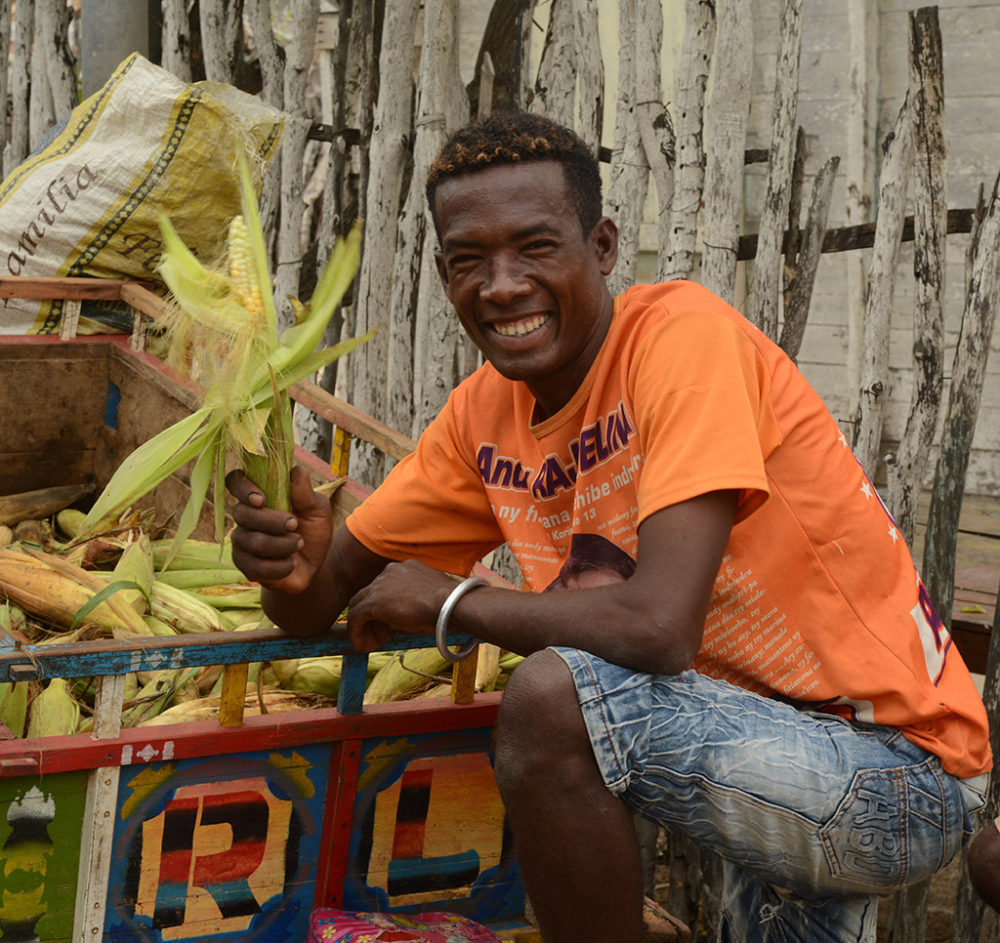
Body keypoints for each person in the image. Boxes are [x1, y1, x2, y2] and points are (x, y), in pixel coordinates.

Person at [226, 112, 991, 943]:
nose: (503, 285)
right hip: (767, 761)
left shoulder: (681, 341)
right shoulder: (483, 417)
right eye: (468, 261)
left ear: (602, 247)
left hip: (895, 773)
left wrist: (457, 602)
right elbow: (322, 602)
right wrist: (288, 570)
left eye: (536, 247)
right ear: (443, 272)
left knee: (553, 699)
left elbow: (658, 627)